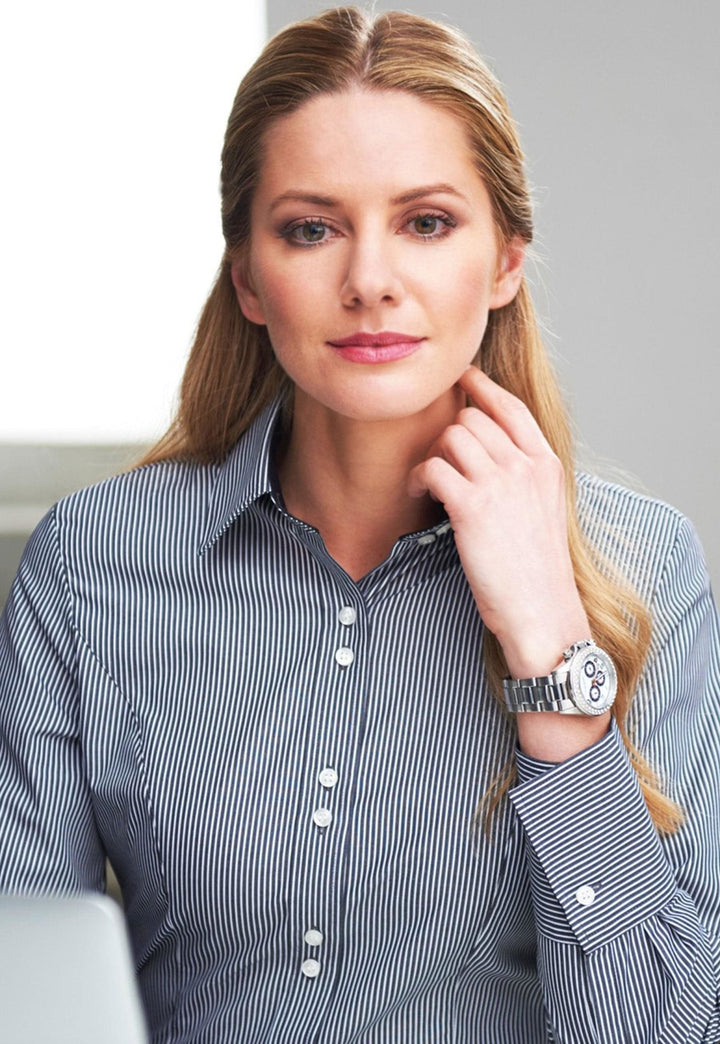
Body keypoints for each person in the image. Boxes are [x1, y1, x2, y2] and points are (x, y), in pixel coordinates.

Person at [1, 6, 719, 1042]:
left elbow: (660, 1029)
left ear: (507, 260)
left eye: (426, 222)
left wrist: (551, 650)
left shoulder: (641, 568)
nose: (370, 280)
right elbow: (27, 989)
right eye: (311, 227)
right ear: (248, 276)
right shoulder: (91, 565)